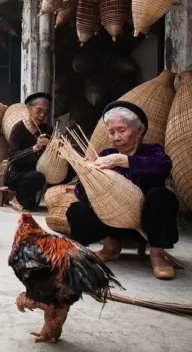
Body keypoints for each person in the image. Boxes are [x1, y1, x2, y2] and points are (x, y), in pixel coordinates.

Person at [65, 101, 179, 280]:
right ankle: (110, 247)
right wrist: (88, 179)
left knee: (162, 197)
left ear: (139, 131)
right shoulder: (104, 155)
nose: (116, 137)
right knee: (77, 210)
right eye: (111, 132)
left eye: (122, 130)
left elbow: (163, 166)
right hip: (113, 223)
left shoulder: (153, 152)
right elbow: (82, 194)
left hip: (147, 224)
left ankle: (157, 254)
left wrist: (122, 160)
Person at [5, 92, 54, 212]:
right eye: (38, 110)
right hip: (18, 174)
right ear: (29, 109)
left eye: (45, 112)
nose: (42, 115)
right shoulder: (18, 129)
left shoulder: (48, 130)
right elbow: (13, 157)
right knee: (37, 177)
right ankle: (16, 199)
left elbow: (51, 156)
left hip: (39, 171)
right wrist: (35, 147)